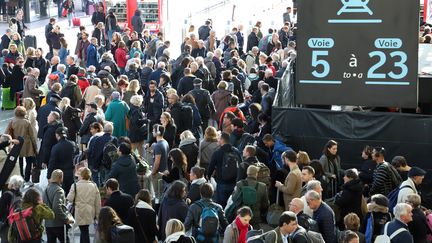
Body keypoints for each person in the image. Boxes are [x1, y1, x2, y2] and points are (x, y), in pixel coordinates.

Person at [207, 132, 242, 208]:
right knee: (232, 206)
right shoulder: (236, 151)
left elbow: (211, 167)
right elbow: (241, 165)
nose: (217, 140)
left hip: (222, 183)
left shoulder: (217, 153)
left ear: (222, 140)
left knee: (221, 206)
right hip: (234, 183)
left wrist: (208, 177)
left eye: (219, 138)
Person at [66, 167, 101, 243]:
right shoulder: (94, 185)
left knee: (84, 231)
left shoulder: (75, 185)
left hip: (79, 212)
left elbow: (70, 199)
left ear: (82, 175)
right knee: (84, 230)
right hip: (90, 211)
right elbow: (98, 202)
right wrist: (98, 215)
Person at [43, 169, 74, 243]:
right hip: (58, 223)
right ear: (60, 178)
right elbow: (57, 207)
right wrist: (66, 218)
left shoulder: (46, 189)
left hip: (48, 223)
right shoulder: (59, 190)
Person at [9, 106, 38, 182]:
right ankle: (27, 178)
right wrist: (35, 147)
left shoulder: (12, 121)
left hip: (17, 144)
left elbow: (7, 133)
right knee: (29, 162)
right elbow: (32, 135)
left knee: (20, 161)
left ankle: (21, 176)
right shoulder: (26, 122)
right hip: (28, 145)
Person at [48, 127, 77, 196]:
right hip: (70, 172)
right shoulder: (72, 145)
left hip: (60, 173)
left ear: (57, 135)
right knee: (71, 193)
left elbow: (52, 162)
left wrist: (49, 176)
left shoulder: (56, 147)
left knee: (61, 194)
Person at [0, 175, 24, 242]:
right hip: (18, 225)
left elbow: (1, 211)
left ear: (12, 184)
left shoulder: (6, 194)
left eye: (10, 182)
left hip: (7, 225)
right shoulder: (21, 195)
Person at [150, 124, 169, 200]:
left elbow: (157, 162)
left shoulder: (158, 145)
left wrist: (153, 173)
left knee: (158, 195)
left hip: (158, 174)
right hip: (164, 172)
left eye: (153, 130)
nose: (152, 132)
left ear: (158, 132)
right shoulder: (165, 142)